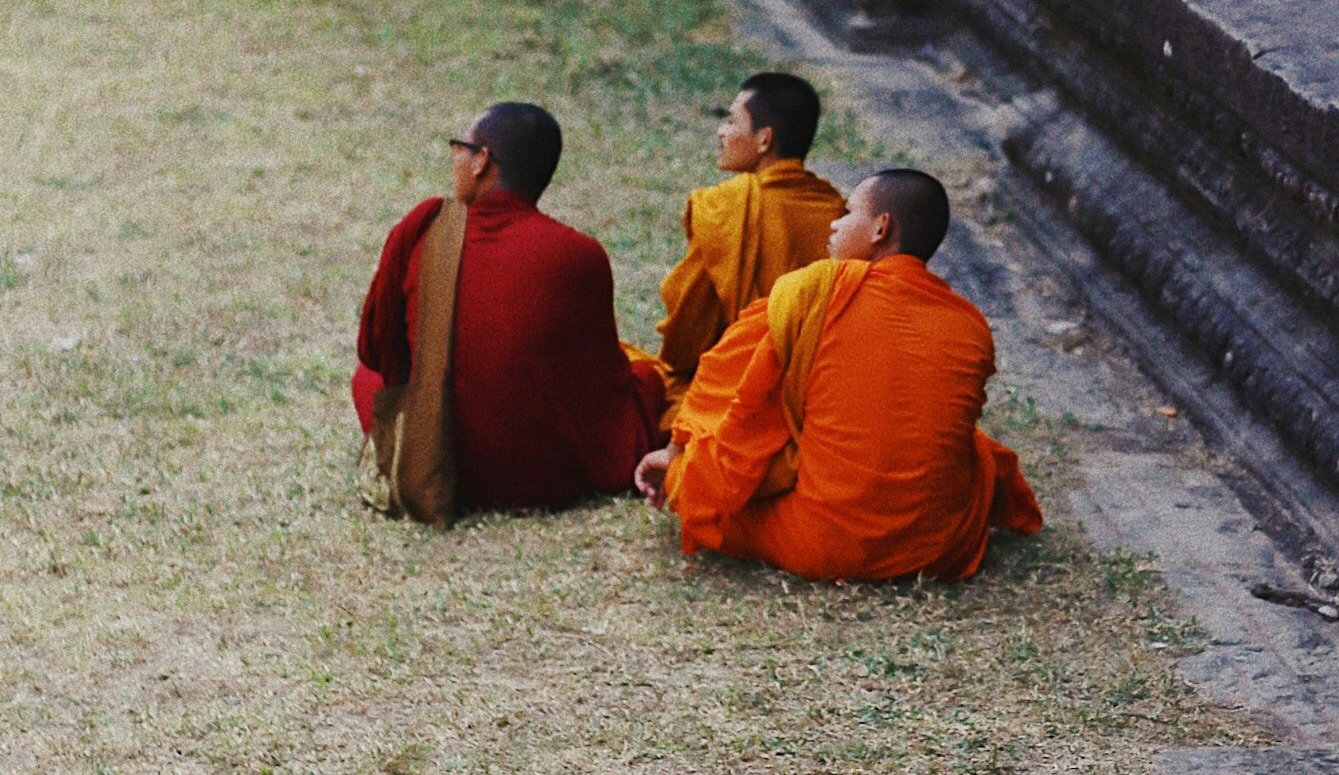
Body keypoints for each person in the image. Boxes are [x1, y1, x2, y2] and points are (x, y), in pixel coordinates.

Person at [634, 166, 1042, 581]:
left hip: (826, 543)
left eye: (848, 213)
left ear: (881, 228)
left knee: (714, 503)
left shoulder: (817, 289)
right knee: (972, 451)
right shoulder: (969, 323)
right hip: (936, 546)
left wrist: (676, 458)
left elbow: (729, 390)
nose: (834, 223)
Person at [354, 102, 663, 520]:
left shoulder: (428, 230)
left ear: (482, 161)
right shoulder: (579, 254)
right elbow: (600, 386)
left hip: (434, 460)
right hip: (543, 478)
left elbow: (376, 349)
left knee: (367, 378)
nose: (455, 158)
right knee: (646, 378)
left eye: (461, 147)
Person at [637, 72, 845, 426]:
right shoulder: (836, 211)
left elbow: (687, 331)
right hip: (816, 401)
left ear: (764, 140)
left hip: (734, 390)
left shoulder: (725, 207)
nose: (721, 132)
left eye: (732, 121)